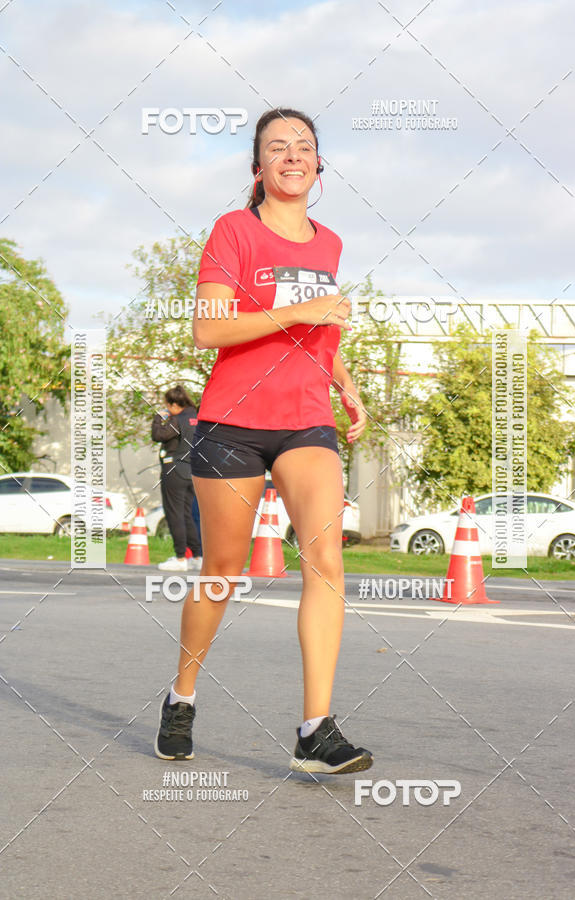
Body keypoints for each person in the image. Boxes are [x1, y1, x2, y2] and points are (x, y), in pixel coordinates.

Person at [154, 107, 373, 775]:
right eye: (277, 147)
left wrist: (345, 379)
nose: (291, 155)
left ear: (318, 165)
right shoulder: (233, 232)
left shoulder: (329, 242)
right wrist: (301, 310)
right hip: (233, 424)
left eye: (303, 146)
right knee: (224, 573)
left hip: (307, 421)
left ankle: (315, 729)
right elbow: (208, 331)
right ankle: (181, 696)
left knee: (326, 563)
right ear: (258, 168)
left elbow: (319, 331)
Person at [151, 386, 203, 571]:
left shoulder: (178, 420)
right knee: (187, 514)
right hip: (192, 471)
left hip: (174, 470)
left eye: (167, 406)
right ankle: (197, 556)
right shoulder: (197, 418)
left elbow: (158, 435)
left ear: (174, 404)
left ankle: (180, 558)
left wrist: (159, 418)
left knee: (175, 514)